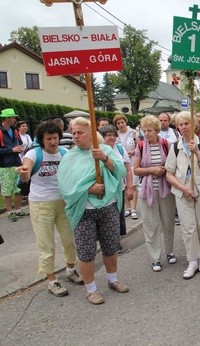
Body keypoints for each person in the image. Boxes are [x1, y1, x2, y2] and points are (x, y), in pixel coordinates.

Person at [57, 117, 129, 305]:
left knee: (111, 246)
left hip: (108, 207)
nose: (76, 136)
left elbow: (120, 172)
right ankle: (91, 290)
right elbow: (66, 187)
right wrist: (89, 189)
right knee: (86, 252)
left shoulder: (105, 150)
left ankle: (113, 280)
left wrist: (104, 159)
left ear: (90, 133)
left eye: (80, 132)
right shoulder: (69, 157)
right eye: (73, 133)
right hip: (84, 211)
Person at [17, 121, 83, 297]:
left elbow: (75, 172)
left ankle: (70, 269)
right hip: (41, 204)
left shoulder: (64, 153)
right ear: (42, 139)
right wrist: (24, 174)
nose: (53, 142)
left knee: (69, 239)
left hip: (63, 202)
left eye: (55, 138)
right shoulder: (34, 153)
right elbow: (26, 170)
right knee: (46, 244)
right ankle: (52, 280)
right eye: (49, 139)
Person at [165, 111, 200, 279]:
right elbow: (169, 173)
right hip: (182, 192)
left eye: (187, 123)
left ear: (193, 125)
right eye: (181, 124)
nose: (184, 127)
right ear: (177, 127)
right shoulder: (175, 147)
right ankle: (192, 260)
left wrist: (197, 153)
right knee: (188, 227)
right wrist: (183, 189)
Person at [134, 115, 176, 272]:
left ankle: (170, 252)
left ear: (157, 130)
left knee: (168, 222)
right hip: (147, 189)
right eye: (144, 130)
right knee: (151, 224)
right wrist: (151, 170)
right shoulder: (140, 146)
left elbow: (172, 166)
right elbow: (136, 169)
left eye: (149, 130)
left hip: (166, 189)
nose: (146, 133)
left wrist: (163, 170)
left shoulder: (167, 144)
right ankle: (155, 258)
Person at [99, 125, 135, 252]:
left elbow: (128, 170)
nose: (112, 137)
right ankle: (108, 241)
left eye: (114, 135)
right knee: (106, 216)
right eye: (108, 135)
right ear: (102, 137)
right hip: (104, 190)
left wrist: (130, 188)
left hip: (119, 188)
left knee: (117, 214)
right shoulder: (99, 150)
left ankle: (116, 241)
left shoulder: (120, 149)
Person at [0, 108, 28, 222]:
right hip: (5, 165)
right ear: (6, 118)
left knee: (18, 188)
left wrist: (20, 148)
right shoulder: (0, 131)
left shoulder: (14, 131)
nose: (14, 119)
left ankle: (17, 209)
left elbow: (19, 144)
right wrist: (12, 150)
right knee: (7, 190)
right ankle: (9, 211)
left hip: (16, 163)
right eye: (12, 117)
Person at [114, 114, 139, 220]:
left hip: (133, 162)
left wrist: (133, 151)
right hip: (121, 163)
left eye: (122, 122)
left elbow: (139, 145)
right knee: (124, 185)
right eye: (118, 123)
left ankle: (134, 208)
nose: (121, 125)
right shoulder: (116, 135)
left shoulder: (133, 132)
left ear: (126, 122)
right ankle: (127, 208)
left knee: (133, 185)